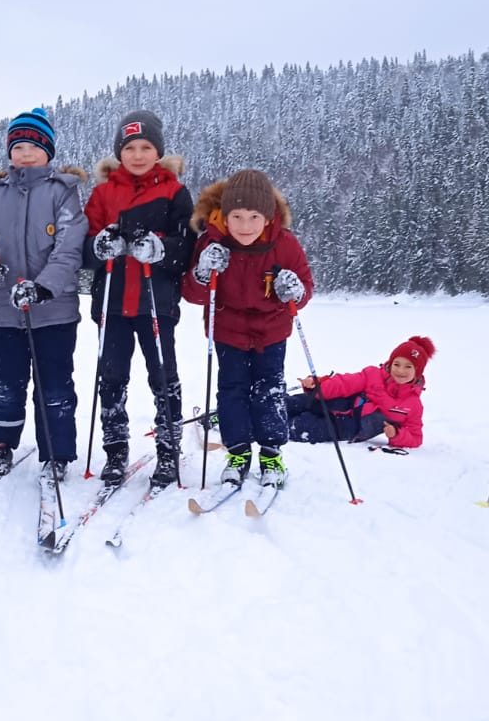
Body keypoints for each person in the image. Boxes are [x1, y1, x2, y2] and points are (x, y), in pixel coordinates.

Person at [0, 108, 86, 485]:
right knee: (3, 382)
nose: (26, 153)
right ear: (9, 152)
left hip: (54, 312)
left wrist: (43, 286)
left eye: (34, 146)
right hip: (4, 312)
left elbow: (69, 248)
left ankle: (56, 454)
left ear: (48, 151)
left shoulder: (63, 192)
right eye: (18, 147)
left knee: (54, 385)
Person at [83, 108, 194, 488]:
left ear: (158, 151)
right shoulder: (102, 194)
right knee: (112, 378)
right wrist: (99, 246)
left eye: (146, 147)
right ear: (119, 152)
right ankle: (115, 451)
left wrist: (160, 249)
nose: (138, 155)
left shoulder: (174, 192)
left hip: (156, 304)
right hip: (112, 304)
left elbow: (187, 247)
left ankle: (168, 450)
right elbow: (84, 248)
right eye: (129, 147)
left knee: (163, 377)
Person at [182, 167, 312, 488]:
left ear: (267, 217)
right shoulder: (212, 243)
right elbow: (192, 294)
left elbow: (305, 289)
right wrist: (202, 272)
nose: (245, 226)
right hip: (228, 332)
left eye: (254, 217)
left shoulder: (285, 244)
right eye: (237, 217)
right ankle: (238, 453)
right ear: (225, 216)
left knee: (269, 391)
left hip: (271, 332)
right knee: (232, 391)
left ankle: (271, 454)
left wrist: (294, 290)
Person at [288, 335, 435, 449]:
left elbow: (415, 437)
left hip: (347, 428)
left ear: (417, 372)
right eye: (397, 364)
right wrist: (318, 385)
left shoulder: (413, 405)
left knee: (301, 427)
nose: (400, 370)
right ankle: (276, 406)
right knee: (295, 403)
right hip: (335, 403)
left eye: (408, 367)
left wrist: (397, 434)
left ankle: (280, 427)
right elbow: (344, 383)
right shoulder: (373, 375)